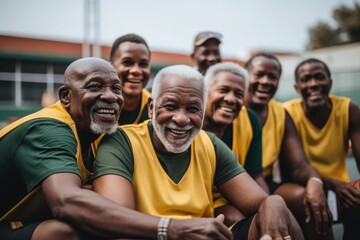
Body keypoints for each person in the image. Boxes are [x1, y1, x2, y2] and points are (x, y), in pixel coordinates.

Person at [0, 57, 247, 240]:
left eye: (115, 89)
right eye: (95, 87)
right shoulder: (50, 129)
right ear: (66, 96)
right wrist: (171, 227)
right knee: (63, 232)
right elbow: (66, 201)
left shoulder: (97, 132)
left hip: (24, 221)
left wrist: (273, 202)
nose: (110, 97)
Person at [93, 64, 304, 240]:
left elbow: (258, 202)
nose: (182, 119)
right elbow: (118, 221)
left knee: (279, 215)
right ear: (151, 107)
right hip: (150, 235)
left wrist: (274, 203)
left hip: (204, 235)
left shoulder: (209, 144)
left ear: (203, 112)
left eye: (193, 109)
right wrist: (177, 229)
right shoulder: (120, 142)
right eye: (171, 106)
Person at [244, 53, 333, 239]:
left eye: (273, 77)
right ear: (246, 75)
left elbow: (299, 165)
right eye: (259, 74)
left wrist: (315, 182)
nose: (265, 81)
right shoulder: (231, 109)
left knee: (306, 199)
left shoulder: (280, 113)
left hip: (265, 183)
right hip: (234, 186)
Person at [283, 58, 360, 240]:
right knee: (310, 202)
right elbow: (293, 168)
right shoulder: (286, 112)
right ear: (296, 87)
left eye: (319, 77)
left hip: (343, 188)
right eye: (306, 79)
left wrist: (341, 185)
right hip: (305, 184)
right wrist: (330, 183)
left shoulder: (349, 109)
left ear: (330, 82)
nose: (313, 84)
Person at [202, 62, 268, 226]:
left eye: (238, 94)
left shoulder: (250, 120)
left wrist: (270, 206)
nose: (231, 99)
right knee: (236, 219)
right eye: (223, 90)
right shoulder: (188, 120)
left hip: (235, 195)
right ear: (204, 92)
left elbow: (255, 175)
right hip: (197, 200)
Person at [109, 33, 151, 125]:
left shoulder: (155, 108)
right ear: (111, 66)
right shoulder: (96, 105)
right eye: (127, 63)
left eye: (143, 64)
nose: (136, 70)